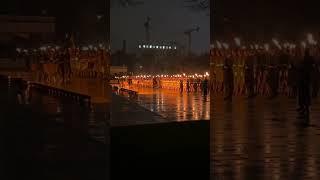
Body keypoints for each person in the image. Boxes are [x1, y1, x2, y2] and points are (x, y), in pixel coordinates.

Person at [298, 49, 313, 120]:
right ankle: (306, 107)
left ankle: (303, 107)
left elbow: (300, 68)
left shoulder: (304, 59)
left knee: (303, 94)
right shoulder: (310, 59)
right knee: (306, 93)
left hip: (303, 79)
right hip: (307, 78)